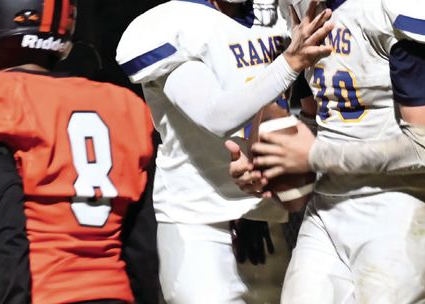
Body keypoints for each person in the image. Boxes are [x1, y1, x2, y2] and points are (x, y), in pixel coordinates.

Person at [0, 0, 155, 303]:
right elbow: (141, 242)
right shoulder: (123, 104)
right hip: (116, 293)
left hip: (38, 292)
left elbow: (4, 227)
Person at [116, 0, 334, 302]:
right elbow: (217, 116)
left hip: (267, 215)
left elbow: (308, 108)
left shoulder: (279, 13)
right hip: (200, 223)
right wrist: (289, 62)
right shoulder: (169, 24)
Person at [229, 0, 425, 302]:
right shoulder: (304, 10)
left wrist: (316, 155)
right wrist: (271, 162)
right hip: (326, 210)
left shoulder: (390, 8)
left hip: (399, 205)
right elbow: (318, 122)